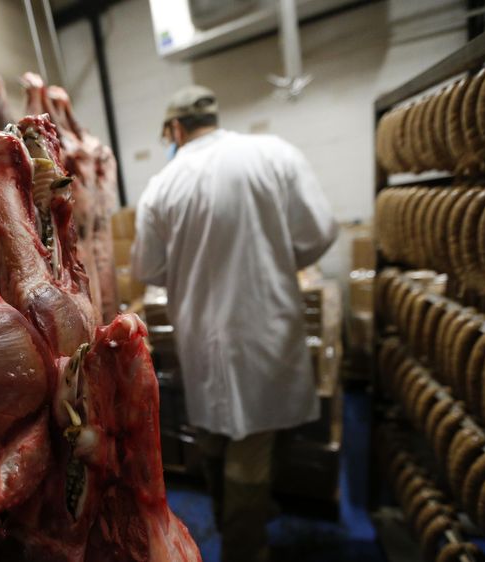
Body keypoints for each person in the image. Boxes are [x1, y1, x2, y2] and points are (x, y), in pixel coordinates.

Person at [131, 85, 338, 562]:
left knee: (218, 436)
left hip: (202, 336)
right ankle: (246, 538)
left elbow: (148, 269)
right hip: (266, 328)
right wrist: (275, 259)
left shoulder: (162, 186)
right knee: (255, 442)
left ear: (176, 129)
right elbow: (319, 233)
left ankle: (235, 522)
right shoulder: (273, 154)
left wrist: (190, 267)